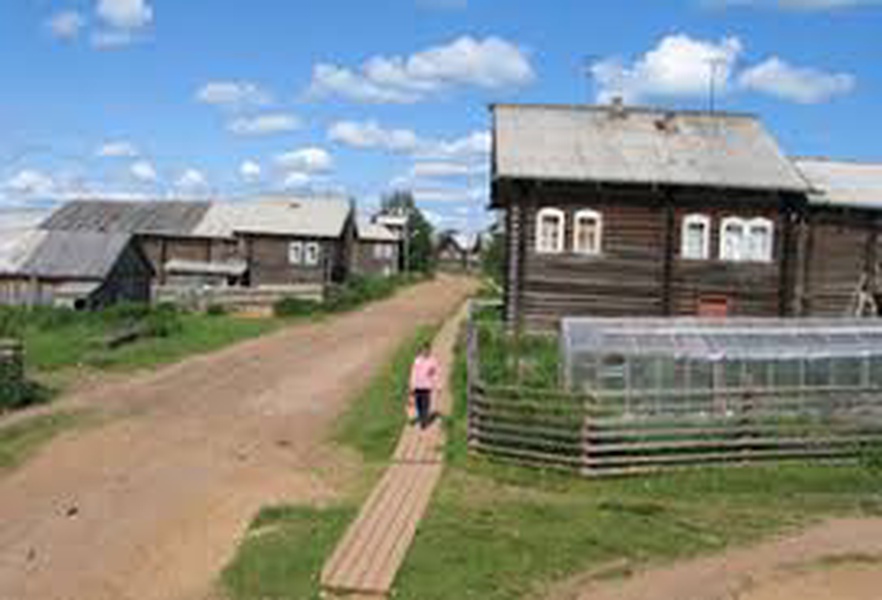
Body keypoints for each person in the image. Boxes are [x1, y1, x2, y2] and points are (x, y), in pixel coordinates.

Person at [409, 342, 441, 430]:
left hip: (427, 386)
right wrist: (411, 385)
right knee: (418, 404)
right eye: (424, 350)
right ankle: (421, 416)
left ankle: (424, 421)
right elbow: (413, 373)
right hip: (417, 386)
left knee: (426, 404)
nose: (425, 352)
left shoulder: (433, 361)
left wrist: (438, 385)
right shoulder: (417, 361)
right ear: (421, 350)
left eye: (427, 350)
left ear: (429, 350)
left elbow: (435, 374)